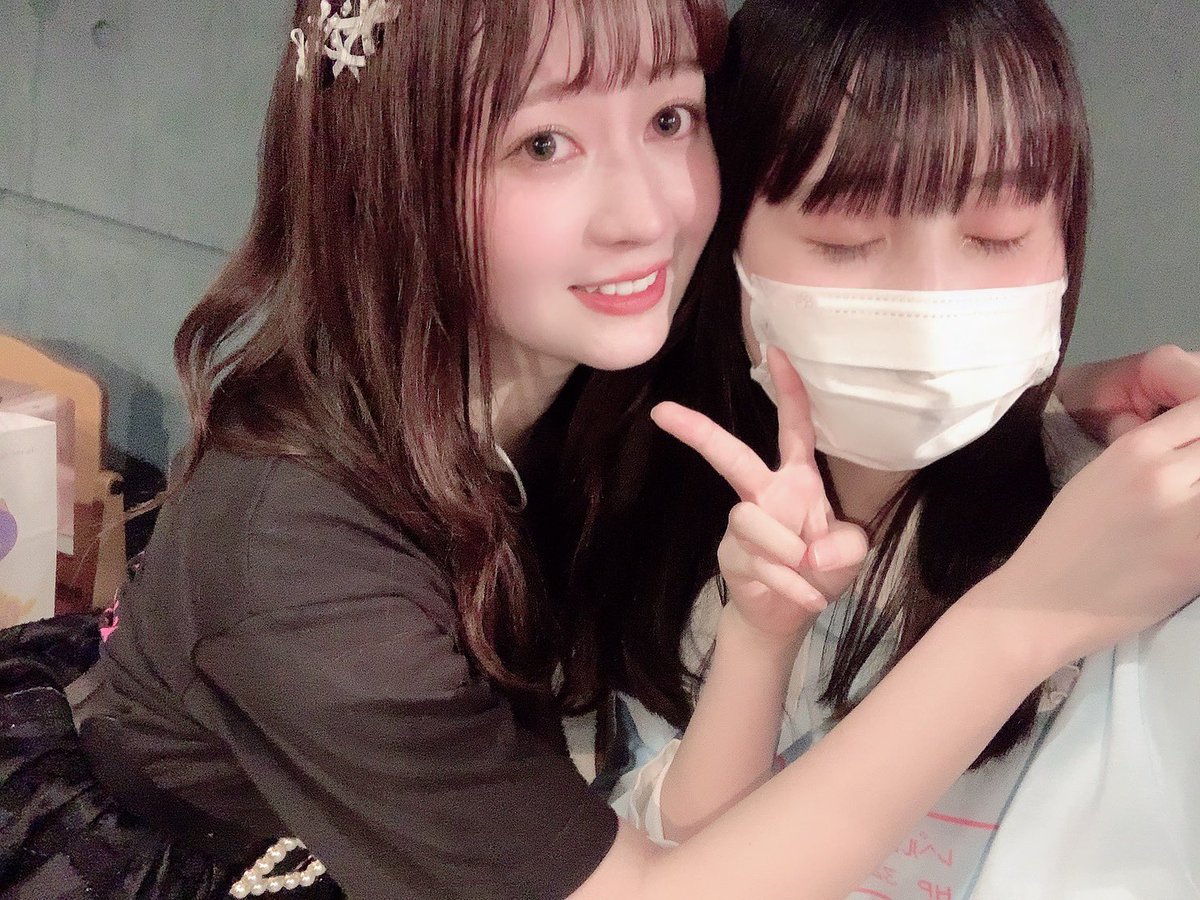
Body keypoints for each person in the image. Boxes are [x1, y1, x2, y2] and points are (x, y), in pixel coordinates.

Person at [0, 1, 1197, 899]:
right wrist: (1026, 618)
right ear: (386, 171)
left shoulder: (592, 351)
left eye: (671, 117)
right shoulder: (299, 565)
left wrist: (1034, 399)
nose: (648, 210)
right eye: (542, 145)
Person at [567, 0, 1199, 897]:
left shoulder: (1144, 526)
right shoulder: (652, 522)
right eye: (847, 241)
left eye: (997, 237)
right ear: (727, 243)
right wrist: (758, 642)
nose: (931, 302)